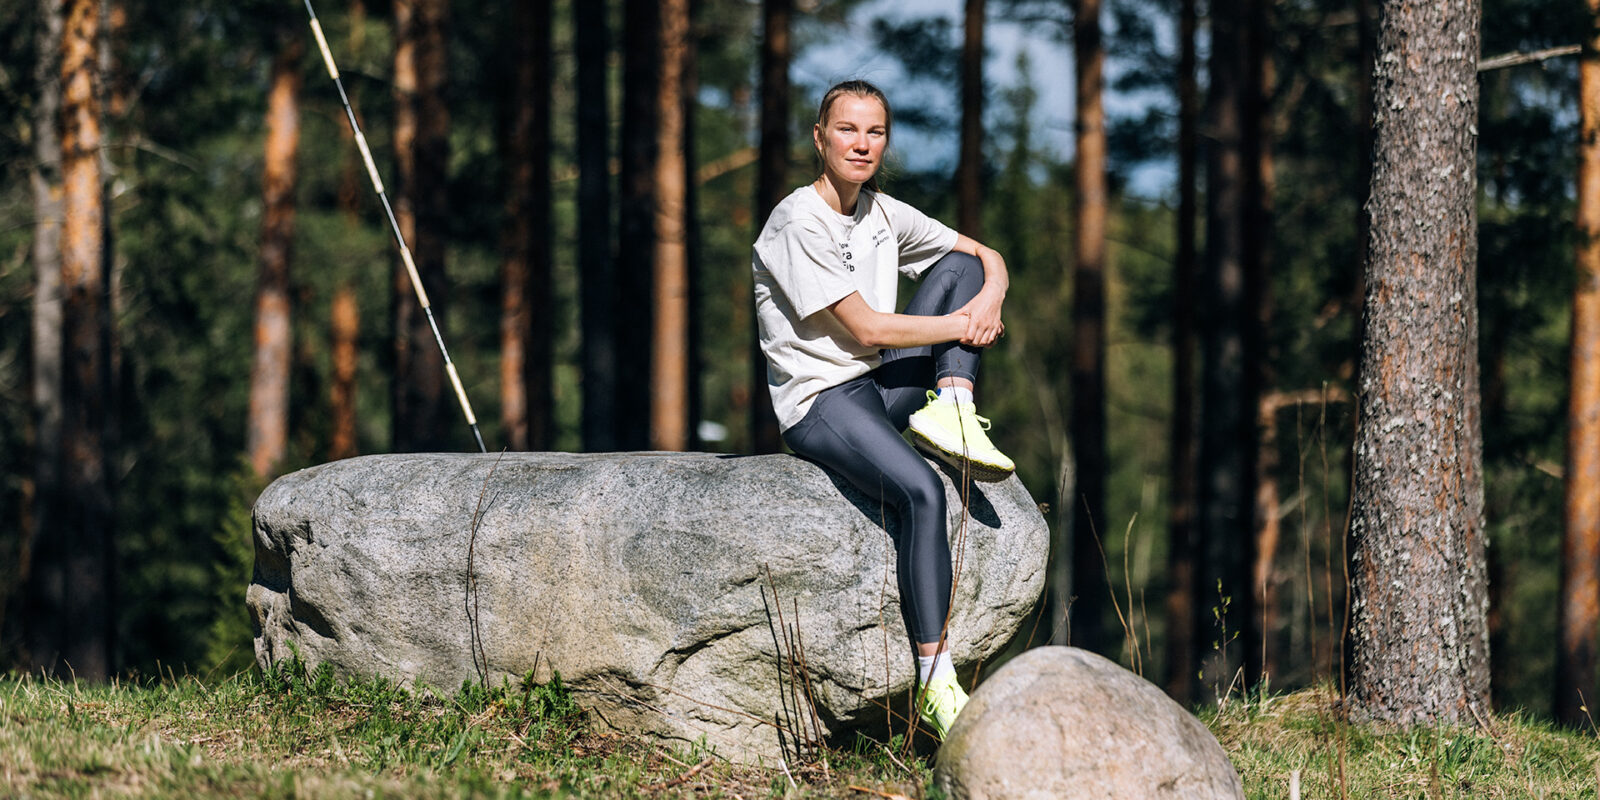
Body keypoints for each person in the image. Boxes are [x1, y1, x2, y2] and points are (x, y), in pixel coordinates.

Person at [751, 79, 1015, 740]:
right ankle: (934, 681)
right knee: (923, 494)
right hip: (821, 402)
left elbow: (983, 256)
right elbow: (866, 328)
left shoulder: (880, 212)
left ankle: (954, 406)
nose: (861, 143)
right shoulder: (796, 220)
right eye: (847, 129)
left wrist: (990, 298)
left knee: (960, 266)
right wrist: (963, 322)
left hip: (876, 390)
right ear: (820, 137)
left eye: (874, 132)